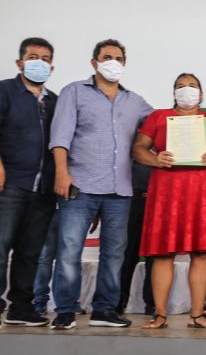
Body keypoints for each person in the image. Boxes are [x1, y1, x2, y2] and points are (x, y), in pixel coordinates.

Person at [49, 39, 153, 330]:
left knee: (114, 253)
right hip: (79, 185)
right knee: (69, 250)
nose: (113, 62)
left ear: (124, 64)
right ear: (94, 62)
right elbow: (60, 136)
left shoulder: (135, 101)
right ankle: (66, 310)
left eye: (119, 58)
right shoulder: (74, 92)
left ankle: (105, 309)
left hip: (120, 190)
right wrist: (61, 172)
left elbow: (162, 124)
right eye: (107, 57)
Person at [133, 73, 206, 330]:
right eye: (181, 86)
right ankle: (159, 313)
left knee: (200, 253)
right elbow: (138, 149)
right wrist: (155, 159)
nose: (186, 90)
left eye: (192, 86)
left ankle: (197, 314)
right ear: (173, 93)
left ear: (201, 94)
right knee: (162, 254)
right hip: (167, 193)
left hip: (203, 195)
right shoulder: (158, 117)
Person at [0, 37, 58, 327]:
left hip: (44, 190)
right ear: (19, 62)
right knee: (0, 246)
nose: (40, 62)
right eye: (33, 57)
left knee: (30, 251)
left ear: (52, 66)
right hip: (9, 184)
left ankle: (20, 308)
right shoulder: (4, 91)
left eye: (45, 58)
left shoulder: (54, 101)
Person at [118, 162, 153, 314]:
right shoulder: (134, 140)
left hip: (159, 197)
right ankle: (119, 301)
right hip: (133, 197)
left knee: (155, 255)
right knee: (127, 254)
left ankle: (152, 303)